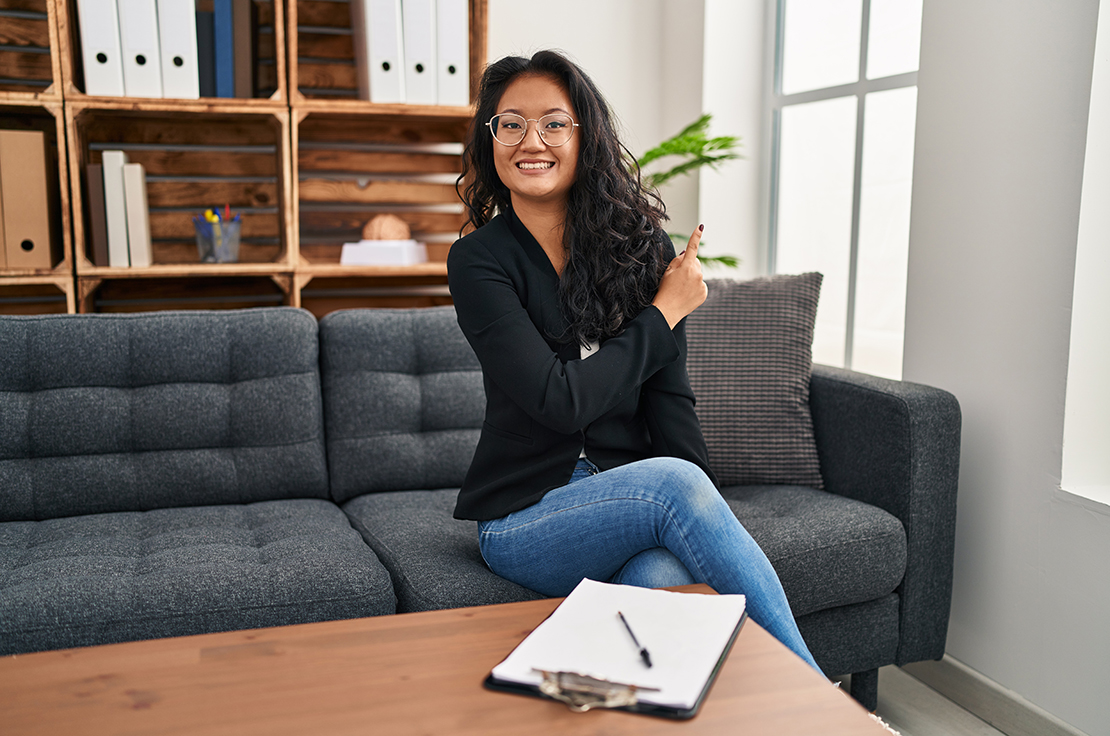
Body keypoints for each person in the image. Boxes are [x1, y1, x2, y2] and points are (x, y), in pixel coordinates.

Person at [447, 50, 820, 672]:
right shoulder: (479, 261)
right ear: (491, 139)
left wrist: (706, 507)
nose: (530, 141)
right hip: (525, 517)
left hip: (628, 498)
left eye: (554, 123)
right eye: (510, 123)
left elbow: (668, 399)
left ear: (584, 135)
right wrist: (663, 313)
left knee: (663, 578)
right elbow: (559, 402)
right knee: (674, 486)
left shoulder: (641, 246)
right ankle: (821, 707)